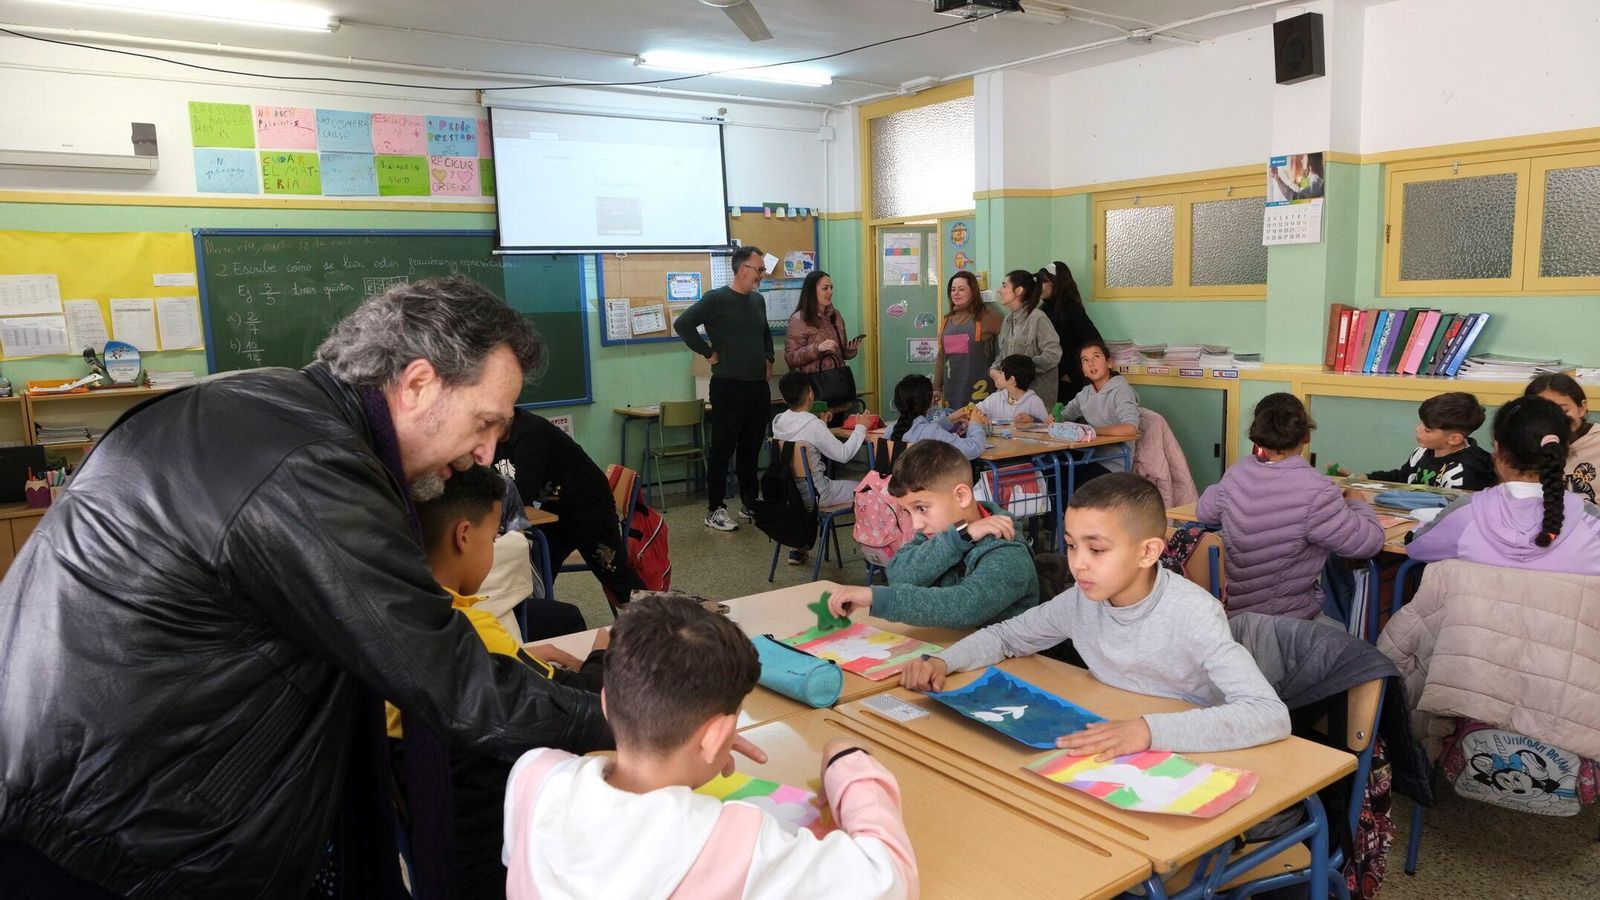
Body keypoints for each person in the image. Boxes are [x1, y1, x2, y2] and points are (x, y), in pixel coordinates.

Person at [0, 278, 767, 897]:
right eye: (485, 421)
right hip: (112, 836)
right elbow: (453, 679)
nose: (486, 454)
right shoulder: (309, 470)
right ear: (418, 382)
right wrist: (648, 727)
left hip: (84, 786)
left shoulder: (274, 412)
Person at [502, 594, 919, 899]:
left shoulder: (534, 777)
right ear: (718, 736)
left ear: (606, 702)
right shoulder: (731, 843)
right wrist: (849, 761)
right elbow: (889, 879)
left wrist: (703, 740)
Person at [901, 473, 1290, 757]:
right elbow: (1006, 636)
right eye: (1071, 546)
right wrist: (943, 660)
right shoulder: (1081, 601)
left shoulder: (1195, 614)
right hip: (1113, 735)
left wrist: (1148, 731)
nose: (1078, 565)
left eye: (1097, 550)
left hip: (1187, 750)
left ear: (1147, 552)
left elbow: (1268, 714)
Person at [394, 464, 607, 900]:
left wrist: (520, 655)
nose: (492, 550)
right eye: (493, 539)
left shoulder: (397, 613)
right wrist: (606, 653)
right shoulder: (468, 629)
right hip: (496, 851)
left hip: (433, 840)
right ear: (464, 535)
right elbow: (570, 703)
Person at [1198, 393, 1385, 620]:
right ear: (1306, 435)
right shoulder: (1318, 490)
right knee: (1343, 637)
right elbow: (1368, 543)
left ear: (1258, 438)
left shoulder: (1236, 474)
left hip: (1233, 615)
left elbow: (1204, 511)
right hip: (1287, 621)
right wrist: (1356, 502)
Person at [826, 440, 1038, 629]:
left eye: (921, 508)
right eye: (907, 512)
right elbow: (899, 575)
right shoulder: (937, 532)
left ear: (962, 496)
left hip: (1006, 665)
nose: (916, 524)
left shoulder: (1008, 549)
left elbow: (964, 606)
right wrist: (960, 536)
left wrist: (876, 597)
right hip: (948, 650)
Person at [1406, 396, 1600, 574]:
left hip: (1472, 613)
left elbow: (1417, 547)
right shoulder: (1592, 523)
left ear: (1497, 448)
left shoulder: (1465, 513)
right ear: (1564, 450)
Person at [494, 407, 645, 611]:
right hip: (557, 512)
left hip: (589, 507)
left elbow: (522, 495)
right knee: (535, 568)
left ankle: (662, 625)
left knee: (617, 579)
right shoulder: (493, 438)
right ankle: (537, 621)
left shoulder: (530, 432)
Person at [674, 244, 776, 532]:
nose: (761, 274)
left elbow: (765, 333)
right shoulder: (716, 299)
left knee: (751, 447)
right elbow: (683, 324)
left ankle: (749, 501)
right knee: (722, 449)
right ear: (742, 269)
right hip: (728, 387)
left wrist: (769, 357)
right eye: (758, 269)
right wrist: (707, 352)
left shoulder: (758, 301)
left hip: (757, 387)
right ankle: (715, 508)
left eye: (762, 270)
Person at [770, 370, 874, 566]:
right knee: (868, 491)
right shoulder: (813, 426)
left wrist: (821, 425)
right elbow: (843, 455)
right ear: (811, 393)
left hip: (791, 495)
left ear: (783, 397)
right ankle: (873, 559)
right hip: (818, 494)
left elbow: (806, 437)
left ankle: (798, 549)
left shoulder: (779, 423)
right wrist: (861, 427)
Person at [1337, 391, 1496, 490]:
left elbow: (1454, 512)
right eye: (1421, 423)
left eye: (1427, 429)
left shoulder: (1463, 472)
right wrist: (1365, 479)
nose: (1417, 429)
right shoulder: (1424, 450)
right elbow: (1403, 477)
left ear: (1454, 439)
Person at [784, 270, 861, 425]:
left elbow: (839, 352)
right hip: (815, 391)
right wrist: (817, 348)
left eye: (831, 288)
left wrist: (849, 350)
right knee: (818, 442)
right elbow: (791, 358)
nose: (830, 292)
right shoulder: (800, 319)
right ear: (812, 290)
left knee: (837, 440)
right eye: (825, 288)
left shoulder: (836, 316)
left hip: (838, 390)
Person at [1057, 340, 1141, 477]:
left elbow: (1130, 428)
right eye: (1085, 360)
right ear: (1083, 371)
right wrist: (1053, 417)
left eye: (1096, 357)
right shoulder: (1085, 394)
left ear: (1109, 363)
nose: (1091, 363)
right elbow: (1064, 415)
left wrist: (1093, 431)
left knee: (1074, 486)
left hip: (1114, 462)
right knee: (1052, 475)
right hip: (1089, 456)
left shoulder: (1122, 391)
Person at [992, 269, 1063, 407]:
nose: (1000, 290)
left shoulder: (1038, 318)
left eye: (1004, 285)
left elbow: (1053, 354)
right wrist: (994, 370)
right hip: (1010, 397)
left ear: (1018, 291)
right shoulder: (1007, 320)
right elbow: (1003, 356)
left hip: (1036, 397)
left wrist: (1021, 372)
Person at [932, 270, 1002, 409]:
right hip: (952, 393)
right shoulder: (946, 320)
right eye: (953, 290)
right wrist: (936, 387)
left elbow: (1011, 344)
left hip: (980, 394)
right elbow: (941, 356)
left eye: (961, 289)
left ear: (973, 291)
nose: (956, 293)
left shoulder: (987, 316)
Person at [1525, 373, 1599, 502]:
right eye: (1542, 413)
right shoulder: (1523, 444)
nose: (1554, 420)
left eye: (1563, 411)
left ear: (1581, 408)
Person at [1037, 261, 1102, 396]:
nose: (1039, 286)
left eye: (1044, 281)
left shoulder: (1072, 309)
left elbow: (1092, 342)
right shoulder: (1042, 310)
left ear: (1057, 282)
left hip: (1069, 381)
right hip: (1048, 377)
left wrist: (1072, 373)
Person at [888, 373, 988, 460]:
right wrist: (975, 424)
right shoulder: (931, 433)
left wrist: (949, 420)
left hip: (895, 481)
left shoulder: (890, 429)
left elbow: (922, 431)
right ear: (929, 402)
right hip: (926, 481)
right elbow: (972, 449)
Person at [960, 354, 1049, 426]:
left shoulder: (1034, 402)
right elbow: (977, 410)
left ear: (1012, 380)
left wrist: (1033, 419)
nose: (998, 376)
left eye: (1001, 373)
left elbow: (1047, 425)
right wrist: (975, 414)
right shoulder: (996, 398)